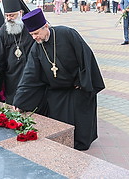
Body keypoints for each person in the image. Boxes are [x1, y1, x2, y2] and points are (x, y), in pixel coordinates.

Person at [12, 8, 105, 150]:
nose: (35, 37)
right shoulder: (36, 48)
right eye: (31, 34)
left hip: (77, 86)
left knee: (80, 121)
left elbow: (86, 56)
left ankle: (82, 140)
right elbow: (30, 75)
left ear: (46, 26)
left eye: (36, 33)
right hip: (57, 90)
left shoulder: (67, 34)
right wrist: (19, 100)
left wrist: (81, 81)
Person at [0, 0, 34, 104]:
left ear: (20, 13)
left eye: (12, 15)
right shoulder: (4, 30)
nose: (9, 19)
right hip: (12, 76)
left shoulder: (31, 28)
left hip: (31, 74)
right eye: (6, 16)